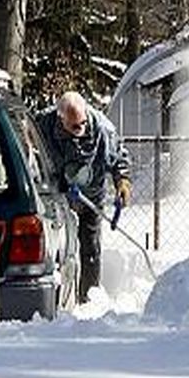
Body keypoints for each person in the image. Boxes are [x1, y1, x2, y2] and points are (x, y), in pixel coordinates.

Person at [35, 91, 131, 303]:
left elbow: (119, 158)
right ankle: (57, 301)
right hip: (58, 201)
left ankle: (89, 300)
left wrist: (122, 182)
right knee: (56, 252)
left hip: (90, 200)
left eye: (83, 124)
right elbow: (25, 134)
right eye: (74, 126)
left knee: (90, 250)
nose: (80, 129)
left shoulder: (103, 131)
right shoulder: (44, 124)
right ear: (61, 120)